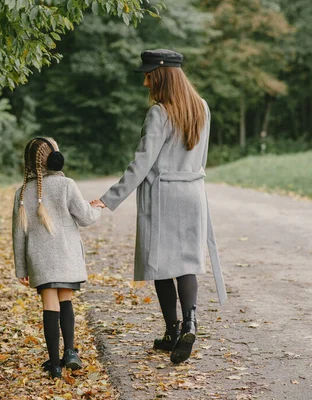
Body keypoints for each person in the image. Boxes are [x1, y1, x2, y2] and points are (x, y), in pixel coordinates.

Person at [90, 49, 227, 364]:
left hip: (163, 195)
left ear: (162, 76)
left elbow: (142, 163)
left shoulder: (159, 113)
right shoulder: (202, 108)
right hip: (193, 191)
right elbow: (202, 157)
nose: (146, 82)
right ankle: (189, 322)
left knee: (162, 265)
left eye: (149, 75)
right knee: (187, 262)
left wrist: (109, 198)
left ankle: (172, 330)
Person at [12, 137, 103, 379]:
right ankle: (70, 352)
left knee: (49, 305)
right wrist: (97, 208)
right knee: (66, 300)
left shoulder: (21, 193)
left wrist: (21, 268)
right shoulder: (67, 185)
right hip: (65, 257)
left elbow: (18, 235)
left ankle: (54, 364)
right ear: (54, 158)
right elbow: (85, 217)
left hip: (40, 261)